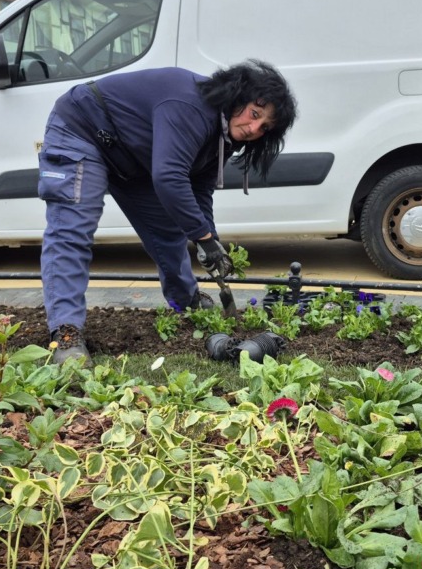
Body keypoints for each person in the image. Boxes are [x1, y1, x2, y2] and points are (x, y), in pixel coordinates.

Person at [38, 60, 297, 363]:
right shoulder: (190, 106)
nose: (253, 129)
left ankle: (187, 303)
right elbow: (169, 177)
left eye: (264, 127)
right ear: (238, 96)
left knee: (168, 230)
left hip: (131, 155)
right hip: (83, 129)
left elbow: (199, 189)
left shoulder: (224, 134)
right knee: (73, 231)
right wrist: (202, 236)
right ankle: (66, 332)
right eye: (254, 114)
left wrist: (209, 240)